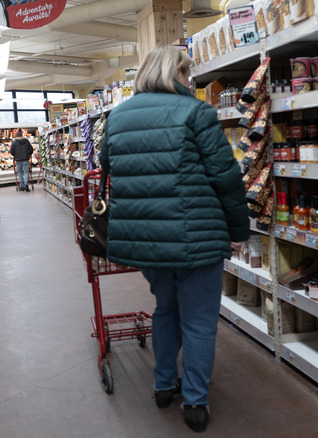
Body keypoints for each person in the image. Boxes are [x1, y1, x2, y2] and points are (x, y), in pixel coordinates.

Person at [98, 45, 249, 433]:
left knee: (165, 309)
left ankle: (164, 384)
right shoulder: (196, 112)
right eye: (188, 73)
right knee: (199, 322)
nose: (191, 80)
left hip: (144, 239)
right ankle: (195, 402)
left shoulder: (117, 117)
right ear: (176, 73)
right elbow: (226, 178)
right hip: (195, 237)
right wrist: (238, 230)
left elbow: (108, 165)